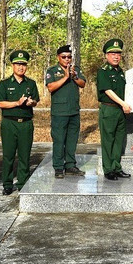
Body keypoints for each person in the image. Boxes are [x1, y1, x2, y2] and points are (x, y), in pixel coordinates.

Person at [0, 50, 40, 194]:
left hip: (26, 123)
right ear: (12, 65)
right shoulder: (4, 84)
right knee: (8, 155)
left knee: (24, 155)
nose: (21, 67)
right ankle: (7, 184)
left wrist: (30, 103)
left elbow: (35, 101)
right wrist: (17, 103)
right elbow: (1, 103)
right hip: (9, 123)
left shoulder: (31, 83)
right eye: (18, 64)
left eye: (23, 64)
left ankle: (23, 183)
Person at [45, 45, 87, 179]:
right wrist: (65, 77)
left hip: (73, 110)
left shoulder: (76, 69)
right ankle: (58, 167)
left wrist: (74, 76)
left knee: (72, 140)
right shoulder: (52, 71)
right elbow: (51, 87)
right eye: (64, 57)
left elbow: (83, 83)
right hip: (59, 112)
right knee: (59, 140)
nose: (67, 59)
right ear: (58, 57)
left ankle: (70, 165)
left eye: (69, 57)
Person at [97, 39, 131, 181]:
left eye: (118, 54)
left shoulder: (120, 72)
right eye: (112, 54)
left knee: (118, 141)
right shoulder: (103, 71)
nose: (116, 56)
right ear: (106, 55)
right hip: (109, 109)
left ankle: (117, 167)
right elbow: (108, 91)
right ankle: (108, 169)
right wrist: (123, 103)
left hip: (121, 111)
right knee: (108, 140)